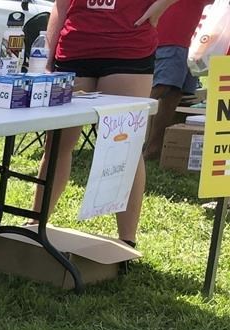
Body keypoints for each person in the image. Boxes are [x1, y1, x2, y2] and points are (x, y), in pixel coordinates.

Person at [33, 0, 182, 249]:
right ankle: (34, 227)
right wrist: (47, 58)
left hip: (128, 49)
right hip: (74, 48)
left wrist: (159, 7)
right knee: (56, 144)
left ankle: (126, 241)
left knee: (127, 147)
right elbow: (60, 5)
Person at [144, 0, 208, 161]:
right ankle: (123, 135)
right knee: (161, 88)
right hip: (171, 36)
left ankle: (154, 148)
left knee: (173, 94)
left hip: (191, 40)